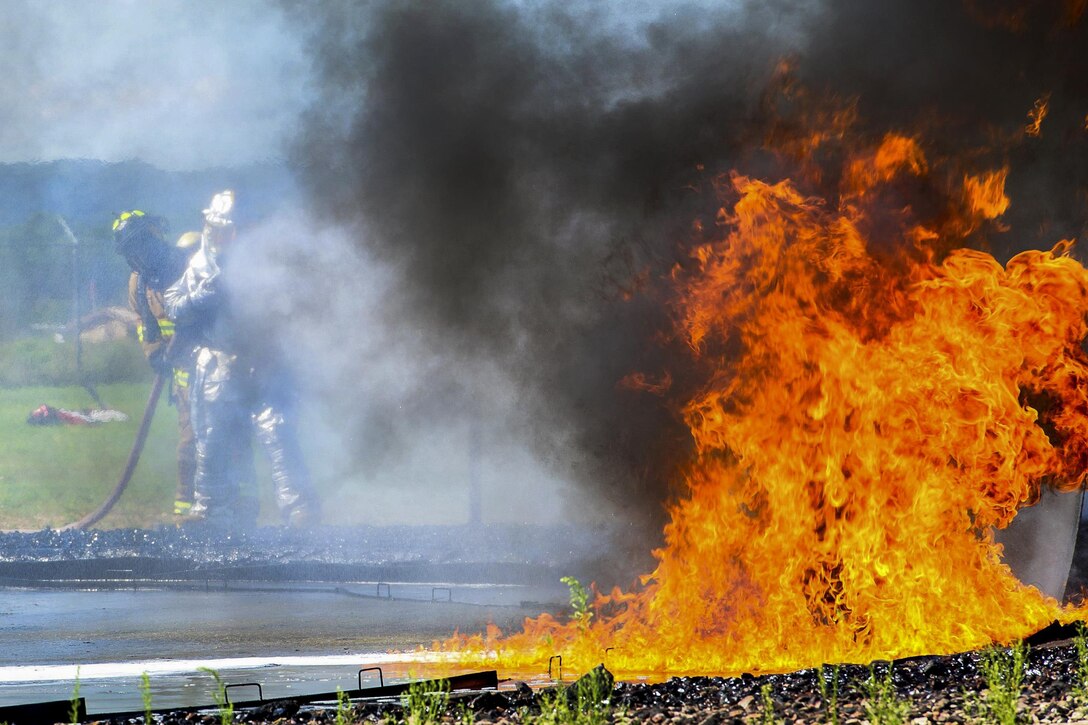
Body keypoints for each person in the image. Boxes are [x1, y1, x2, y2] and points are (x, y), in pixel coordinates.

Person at [163, 190, 320, 528]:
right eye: (218, 229)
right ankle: (210, 510)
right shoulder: (200, 265)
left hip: (265, 361)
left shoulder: (270, 263)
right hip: (218, 364)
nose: (224, 238)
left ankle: (299, 509)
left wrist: (270, 346)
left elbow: (294, 307)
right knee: (211, 437)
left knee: (276, 429)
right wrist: (203, 296)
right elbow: (173, 304)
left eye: (231, 230)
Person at [113, 210, 198, 522]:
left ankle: (222, 506)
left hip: (211, 367)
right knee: (190, 440)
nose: (138, 256)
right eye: (130, 251)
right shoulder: (138, 283)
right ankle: (186, 510)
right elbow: (143, 323)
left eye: (141, 245)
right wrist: (153, 352)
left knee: (220, 439)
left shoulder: (187, 268)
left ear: (155, 238)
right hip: (182, 374)